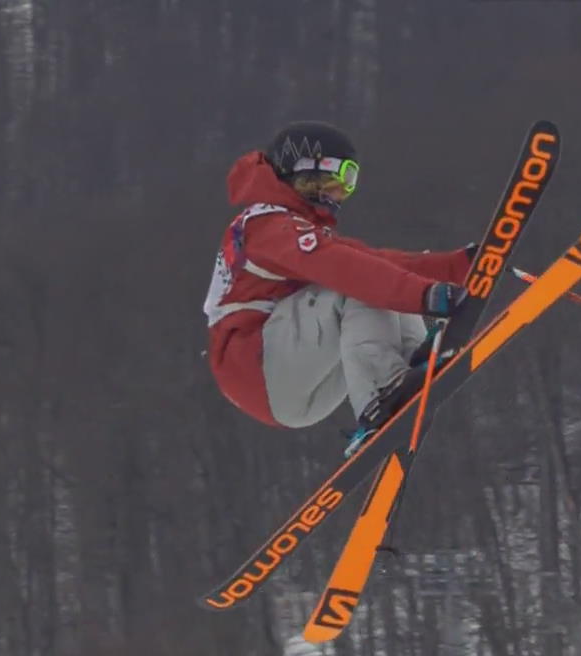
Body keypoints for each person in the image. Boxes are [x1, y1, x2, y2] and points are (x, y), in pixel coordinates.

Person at [203, 120, 475, 455]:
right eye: (343, 177)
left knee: (375, 278)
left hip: (294, 387)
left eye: (352, 181)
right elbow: (348, 269)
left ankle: (409, 371)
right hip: (255, 365)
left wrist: (459, 266)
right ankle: (381, 391)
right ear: (309, 173)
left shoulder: (296, 228)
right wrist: (427, 296)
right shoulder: (265, 224)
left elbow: (376, 262)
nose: (344, 192)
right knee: (360, 284)